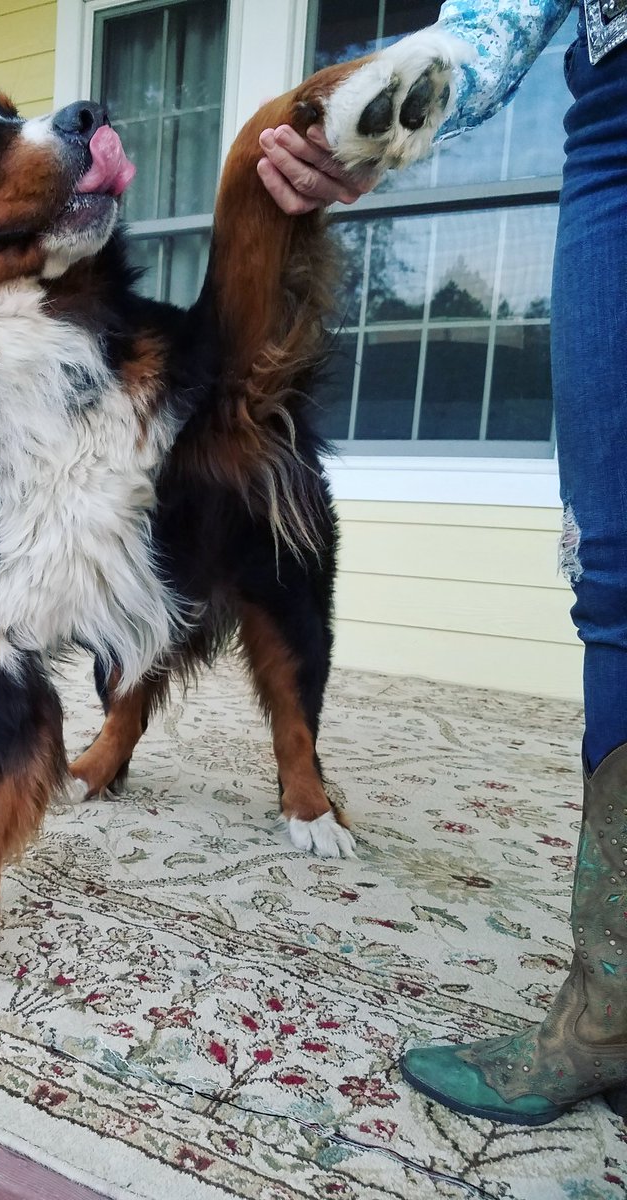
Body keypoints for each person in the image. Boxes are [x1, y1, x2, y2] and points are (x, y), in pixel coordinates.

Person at [258, 0, 627, 1126]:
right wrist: (381, 117)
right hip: (615, 113)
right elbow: (501, 17)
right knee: (617, 578)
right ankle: (610, 1010)